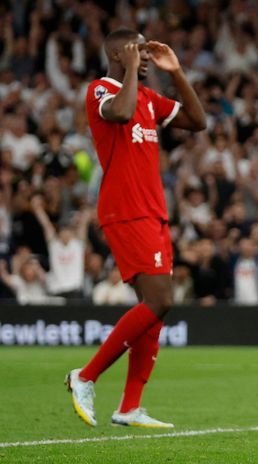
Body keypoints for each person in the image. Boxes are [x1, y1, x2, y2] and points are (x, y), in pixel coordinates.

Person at [66, 28, 205, 428]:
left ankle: (129, 407)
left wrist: (176, 72)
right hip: (126, 210)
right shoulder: (101, 90)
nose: (146, 57)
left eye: (147, 51)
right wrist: (129, 70)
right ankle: (85, 376)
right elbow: (120, 113)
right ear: (117, 52)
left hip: (154, 211)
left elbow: (198, 121)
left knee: (155, 308)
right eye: (139, 50)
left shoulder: (148, 97)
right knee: (160, 300)